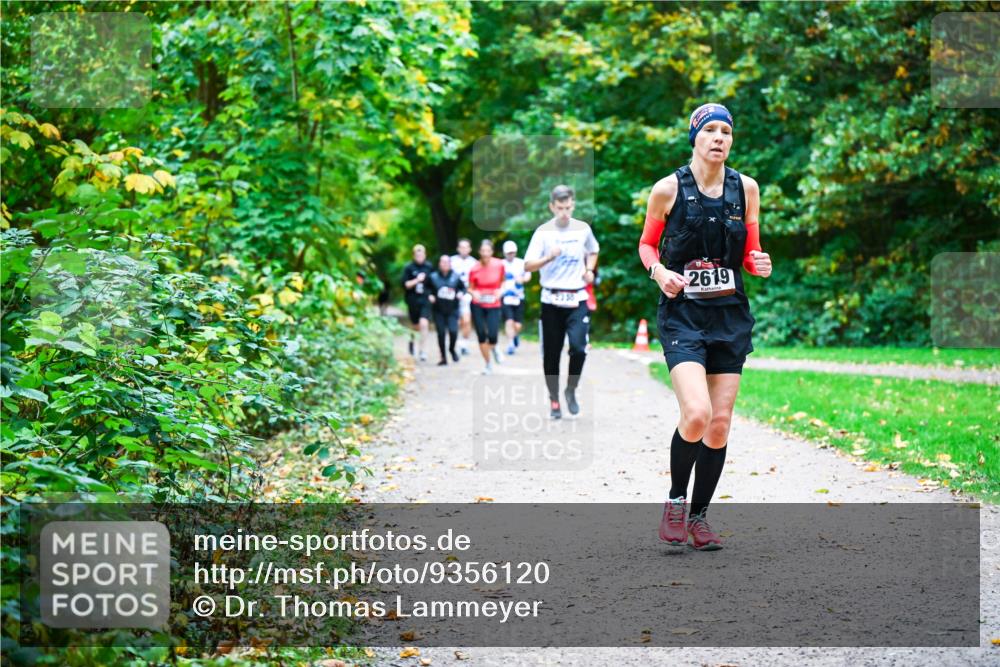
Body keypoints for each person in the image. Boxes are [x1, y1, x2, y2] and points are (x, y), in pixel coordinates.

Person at [638, 103, 772, 551]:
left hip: (729, 314)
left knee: (719, 424)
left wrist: (758, 262)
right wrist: (659, 271)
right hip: (683, 314)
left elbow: (750, 252)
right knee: (696, 414)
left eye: (726, 132)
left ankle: (699, 518)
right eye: (710, 130)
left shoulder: (746, 188)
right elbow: (647, 245)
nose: (719, 138)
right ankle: (676, 500)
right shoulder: (667, 189)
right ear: (694, 137)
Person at [523, 185, 600, 419]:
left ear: (573, 205)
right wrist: (548, 257)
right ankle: (554, 399)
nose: (564, 213)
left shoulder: (583, 229)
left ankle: (571, 389)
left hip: (577, 297)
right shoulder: (543, 233)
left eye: (568, 208)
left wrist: (589, 270)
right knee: (551, 354)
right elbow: (528, 265)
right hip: (551, 300)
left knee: (579, 348)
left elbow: (593, 250)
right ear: (552, 207)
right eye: (560, 208)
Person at [468, 239, 505, 375]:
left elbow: (503, 282)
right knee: (481, 335)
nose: (485, 253)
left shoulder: (499, 265)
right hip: (478, 305)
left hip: (494, 304)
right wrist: (474, 293)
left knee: (493, 334)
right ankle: (488, 364)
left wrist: (501, 291)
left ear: (492, 252)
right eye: (483, 251)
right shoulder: (474, 268)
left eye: (488, 251)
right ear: (479, 252)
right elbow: (470, 288)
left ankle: (494, 347)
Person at [428, 255, 465, 366]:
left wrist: (460, 293)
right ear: (439, 264)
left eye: (447, 262)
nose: (444, 264)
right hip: (438, 310)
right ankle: (443, 357)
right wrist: (430, 295)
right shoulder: (433, 277)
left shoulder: (456, 277)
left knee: (453, 331)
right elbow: (426, 288)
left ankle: (452, 349)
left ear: (450, 264)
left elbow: (463, 288)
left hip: (452, 309)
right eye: (442, 262)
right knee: (441, 333)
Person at [401, 244, 434, 362]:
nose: (420, 257)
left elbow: (433, 282)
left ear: (425, 255)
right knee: (415, 326)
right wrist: (417, 280)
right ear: (414, 255)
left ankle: (422, 351)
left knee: (424, 323)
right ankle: (411, 340)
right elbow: (405, 284)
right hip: (413, 300)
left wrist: (432, 294)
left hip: (425, 300)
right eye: (417, 255)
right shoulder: (408, 268)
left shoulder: (429, 267)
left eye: (422, 254)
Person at [501, 240, 532, 356]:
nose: (511, 255)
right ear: (504, 253)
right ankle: (510, 344)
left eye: (512, 252)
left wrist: (522, 279)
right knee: (509, 321)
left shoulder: (521, 263)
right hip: (505, 296)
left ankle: (515, 336)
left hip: (518, 296)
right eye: (508, 253)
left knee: (517, 325)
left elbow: (528, 276)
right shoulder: (501, 264)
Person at [450, 239, 478, 357]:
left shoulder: (474, 263)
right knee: (456, 321)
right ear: (458, 248)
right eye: (461, 247)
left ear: (470, 249)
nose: (464, 249)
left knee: (466, 320)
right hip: (453, 295)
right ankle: (454, 343)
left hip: (467, 294)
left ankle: (464, 344)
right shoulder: (451, 261)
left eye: (466, 247)